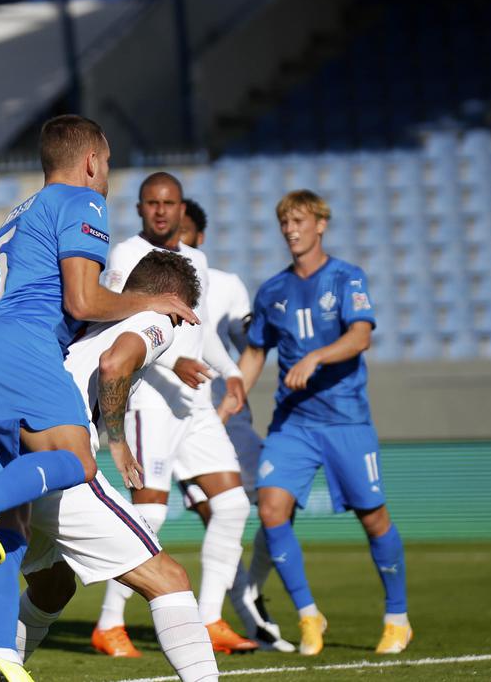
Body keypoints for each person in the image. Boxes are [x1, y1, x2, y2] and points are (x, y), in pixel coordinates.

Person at [0, 116, 197, 681]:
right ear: (93, 161)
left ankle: (2, 654)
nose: (107, 178)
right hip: (26, 351)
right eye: (109, 164)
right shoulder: (82, 200)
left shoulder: (15, 216)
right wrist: (151, 301)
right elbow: (80, 300)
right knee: (74, 463)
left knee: (9, 530)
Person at [0, 252, 221, 682]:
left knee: (51, 587)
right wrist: (119, 444)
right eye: (181, 318)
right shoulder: (156, 320)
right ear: (172, 302)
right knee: (170, 579)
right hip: (64, 465)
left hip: (22, 462)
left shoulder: (78, 317)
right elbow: (114, 363)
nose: (176, 327)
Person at [220, 190, 410, 656]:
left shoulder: (347, 277)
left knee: (374, 517)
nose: (291, 229)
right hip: (293, 424)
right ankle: (308, 614)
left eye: (299, 221)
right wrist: (231, 396)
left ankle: (397, 617)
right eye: (285, 222)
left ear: (320, 224)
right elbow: (254, 353)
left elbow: (361, 336)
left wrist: (317, 358)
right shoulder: (272, 291)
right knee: (270, 510)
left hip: (346, 420)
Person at [91, 174, 257, 657]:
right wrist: (170, 359)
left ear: (182, 208)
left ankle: (208, 619)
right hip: (150, 398)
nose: (161, 211)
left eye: (169, 203)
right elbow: (117, 323)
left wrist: (232, 373)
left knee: (232, 506)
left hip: (195, 403)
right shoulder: (125, 255)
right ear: (140, 208)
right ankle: (109, 624)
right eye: (152, 203)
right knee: (150, 511)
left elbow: (199, 334)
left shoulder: (197, 260)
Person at [176, 201, 294, 652]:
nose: (180, 242)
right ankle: (246, 619)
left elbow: (251, 345)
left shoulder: (224, 284)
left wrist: (235, 386)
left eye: (187, 233)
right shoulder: (149, 274)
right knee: (217, 512)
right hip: (184, 415)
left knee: (276, 503)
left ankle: (249, 592)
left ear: (199, 237)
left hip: (232, 417)